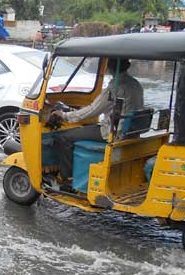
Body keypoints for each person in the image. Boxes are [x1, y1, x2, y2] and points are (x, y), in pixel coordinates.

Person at [51, 58, 144, 188]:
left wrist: (65, 115)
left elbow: (94, 110)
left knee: (64, 137)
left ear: (110, 68)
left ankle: (67, 178)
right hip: (130, 131)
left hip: (113, 132)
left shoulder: (116, 86)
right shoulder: (135, 84)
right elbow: (107, 107)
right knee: (85, 128)